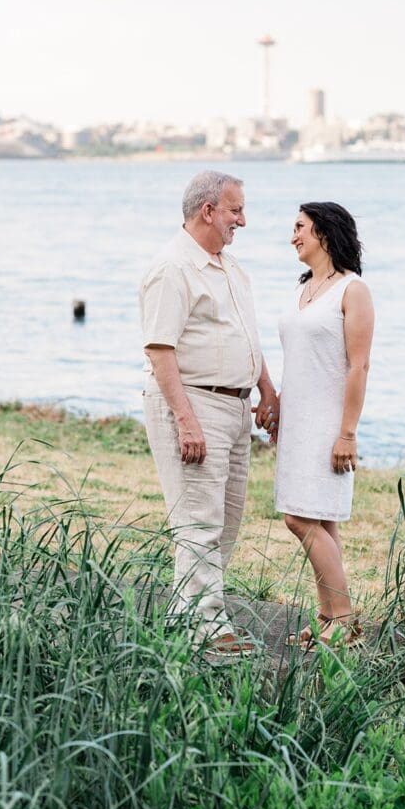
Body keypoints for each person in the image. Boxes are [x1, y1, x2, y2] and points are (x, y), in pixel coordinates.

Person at [139, 170, 279, 659]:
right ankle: (209, 629)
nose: (243, 219)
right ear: (208, 211)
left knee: (227, 519)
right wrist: (186, 419)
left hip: (236, 407)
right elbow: (160, 351)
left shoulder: (231, 268)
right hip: (195, 403)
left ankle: (185, 619)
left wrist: (267, 391)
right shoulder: (172, 268)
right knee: (199, 520)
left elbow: (248, 338)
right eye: (236, 210)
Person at [273, 201, 374, 650]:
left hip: (328, 423)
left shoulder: (353, 290)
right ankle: (327, 616)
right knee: (321, 522)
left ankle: (346, 620)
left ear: (325, 234)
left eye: (299, 227)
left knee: (299, 518)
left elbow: (359, 367)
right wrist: (275, 403)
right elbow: (299, 359)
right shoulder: (303, 288)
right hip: (297, 420)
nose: (292, 235)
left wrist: (347, 433)